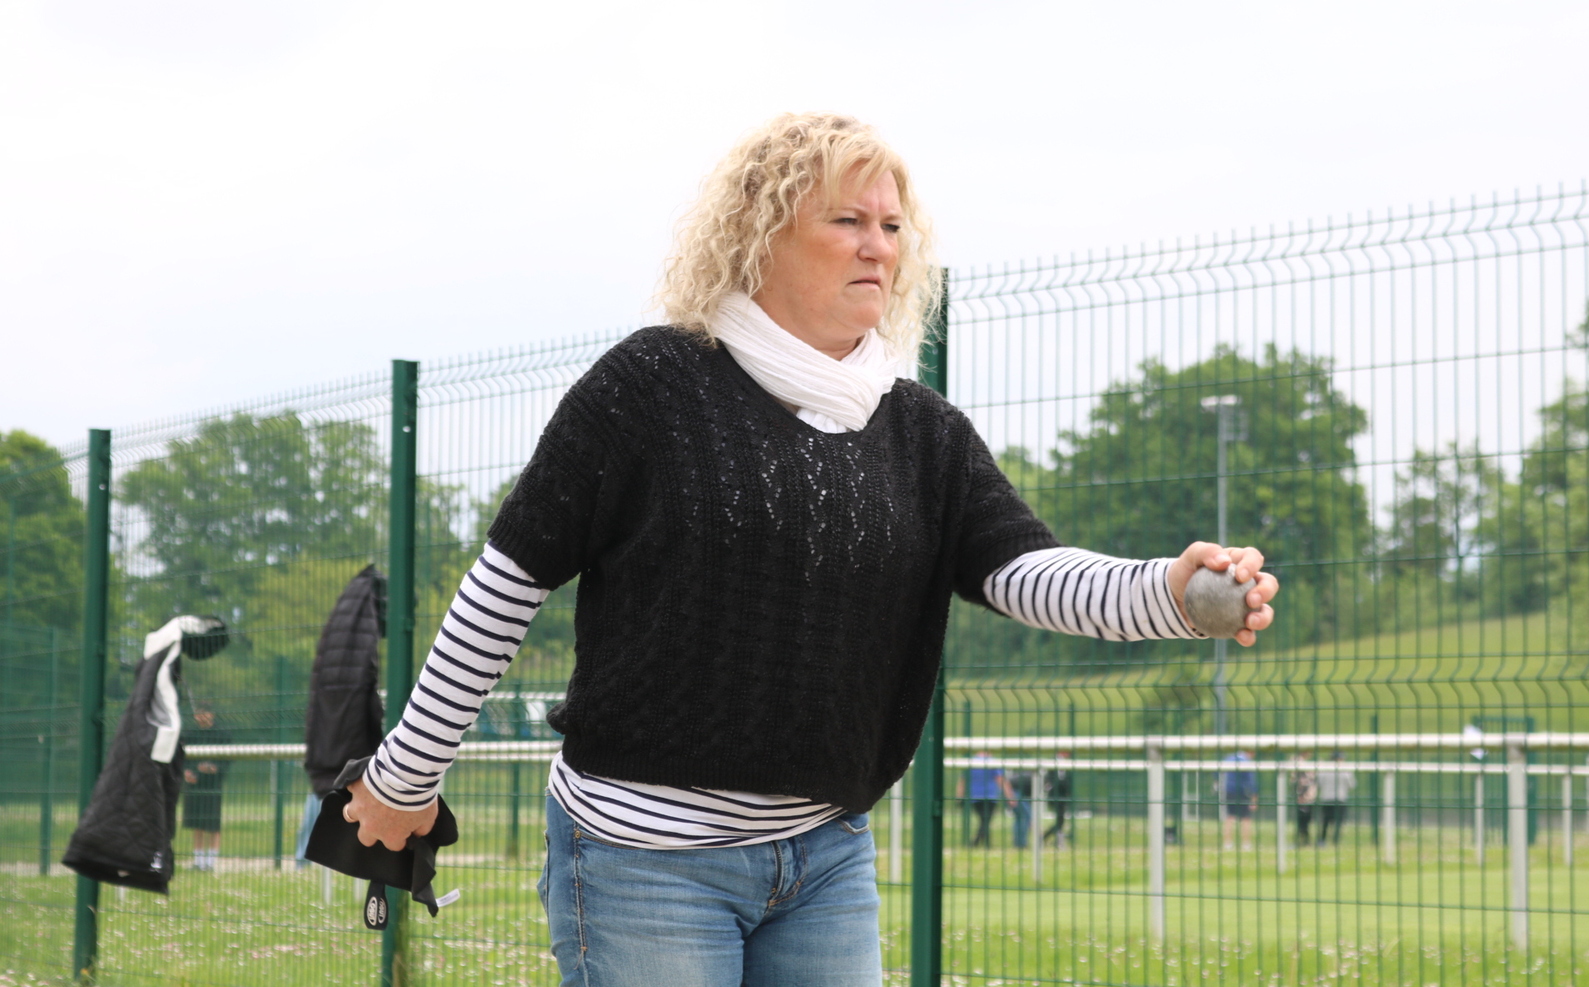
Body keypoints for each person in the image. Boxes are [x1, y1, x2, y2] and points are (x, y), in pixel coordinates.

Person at [340, 112, 1280, 986]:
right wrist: (406, 776)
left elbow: (1025, 571)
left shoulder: (922, 431)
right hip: (643, 859)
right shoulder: (649, 385)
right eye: (848, 220)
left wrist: (1166, 590)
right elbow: (505, 587)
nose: (881, 245)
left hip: (826, 855)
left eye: (893, 225)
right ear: (762, 235)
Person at [182, 707, 229, 871]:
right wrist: (186, 772)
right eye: (198, 714)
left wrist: (213, 768)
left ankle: (211, 861)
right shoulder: (190, 734)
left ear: (211, 714)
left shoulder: (222, 734)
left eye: (204, 713)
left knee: (212, 824)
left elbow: (226, 760)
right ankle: (198, 860)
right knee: (197, 823)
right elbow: (183, 758)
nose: (200, 717)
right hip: (194, 785)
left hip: (212, 785)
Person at [959, 751, 1013, 848]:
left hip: (974, 796)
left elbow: (963, 781)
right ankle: (975, 843)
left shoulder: (971, 762)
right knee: (986, 820)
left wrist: (959, 797)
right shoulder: (993, 762)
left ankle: (986, 844)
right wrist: (1009, 796)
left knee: (984, 820)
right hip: (990, 796)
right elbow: (1000, 780)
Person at [1221, 749, 1258, 851]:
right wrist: (1254, 797)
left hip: (1229, 791)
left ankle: (1227, 843)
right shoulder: (1247, 761)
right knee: (1245, 819)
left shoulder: (1229, 758)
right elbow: (1251, 781)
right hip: (1243, 792)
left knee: (1230, 817)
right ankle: (1246, 844)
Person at [1317, 751, 1357, 846]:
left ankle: (1322, 840)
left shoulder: (1324, 769)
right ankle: (1336, 840)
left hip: (1326, 798)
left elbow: (1319, 783)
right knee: (1339, 821)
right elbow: (1352, 784)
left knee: (1325, 820)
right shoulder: (1346, 770)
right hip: (1340, 798)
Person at [1042, 751, 1076, 847]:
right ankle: (1046, 837)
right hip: (1055, 795)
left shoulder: (1066, 762)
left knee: (1060, 821)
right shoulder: (1053, 761)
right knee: (1060, 821)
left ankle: (1053, 839)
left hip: (1062, 795)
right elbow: (1051, 779)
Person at [1293, 751, 1317, 847]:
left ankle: (1303, 839)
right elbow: (1303, 781)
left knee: (1304, 820)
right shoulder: (1300, 763)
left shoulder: (1301, 762)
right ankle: (1304, 840)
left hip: (1306, 796)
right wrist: (1301, 795)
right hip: (1304, 797)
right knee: (1304, 820)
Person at [1009, 767, 1033, 850]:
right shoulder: (1034, 779)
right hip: (1014, 793)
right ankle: (1021, 844)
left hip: (1013, 792)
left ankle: (1018, 843)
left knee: (1020, 818)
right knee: (1024, 817)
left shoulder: (1029, 776)